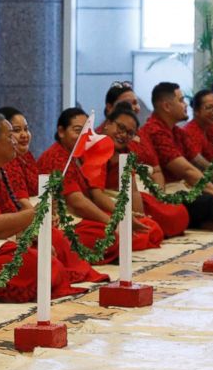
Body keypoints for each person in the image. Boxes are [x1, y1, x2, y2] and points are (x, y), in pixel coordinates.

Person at [0, 114, 108, 301]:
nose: (16, 140)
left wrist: (34, 227)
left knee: (52, 242)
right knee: (41, 263)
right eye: (10, 135)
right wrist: (37, 213)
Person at [37, 107, 163, 263]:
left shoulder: (77, 153)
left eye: (87, 132)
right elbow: (79, 201)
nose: (84, 136)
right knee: (108, 234)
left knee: (149, 226)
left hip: (88, 211)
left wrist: (127, 217)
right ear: (61, 131)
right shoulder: (57, 156)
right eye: (78, 131)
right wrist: (115, 221)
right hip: (66, 218)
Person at [140, 82, 213, 230]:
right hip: (170, 190)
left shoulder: (178, 132)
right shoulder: (155, 130)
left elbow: (203, 164)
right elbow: (187, 171)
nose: (185, 105)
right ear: (166, 106)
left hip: (186, 186)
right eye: (181, 100)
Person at [100, 103, 190, 238]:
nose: (123, 135)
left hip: (131, 199)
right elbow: (94, 193)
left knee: (179, 212)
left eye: (130, 133)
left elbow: (134, 190)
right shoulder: (95, 147)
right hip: (104, 204)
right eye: (121, 127)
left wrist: (139, 217)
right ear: (107, 124)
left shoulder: (126, 152)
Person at [0, 106, 39, 197]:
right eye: (17, 130)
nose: (24, 135)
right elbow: (21, 202)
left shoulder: (26, 155)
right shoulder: (6, 160)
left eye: (26, 129)